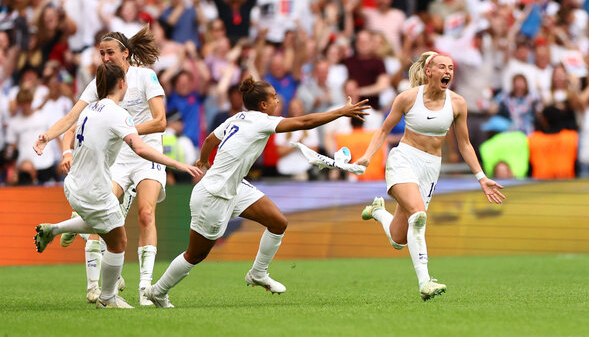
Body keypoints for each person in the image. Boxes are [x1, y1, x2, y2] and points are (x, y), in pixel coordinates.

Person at [143, 78, 370, 308]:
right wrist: (341, 112)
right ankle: (157, 292)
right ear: (263, 104)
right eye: (273, 97)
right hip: (214, 195)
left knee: (278, 222)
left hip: (234, 188)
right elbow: (306, 121)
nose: (277, 99)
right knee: (195, 255)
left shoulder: (237, 117)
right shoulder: (261, 121)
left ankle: (258, 273)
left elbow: (211, 139)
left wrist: (203, 160)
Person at [32, 62, 201, 308]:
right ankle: (108, 298)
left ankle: (56, 229)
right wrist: (178, 164)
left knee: (102, 224)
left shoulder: (90, 109)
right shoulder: (117, 114)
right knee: (118, 242)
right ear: (122, 84)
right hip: (95, 190)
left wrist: (54, 142)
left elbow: (70, 127)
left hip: (75, 186)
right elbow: (142, 148)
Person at [356, 52, 506, 301]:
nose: (448, 71)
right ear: (429, 71)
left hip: (430, 168)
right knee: (419, 215)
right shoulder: (407, 98)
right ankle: (425, 282)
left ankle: (378, 211)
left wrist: (481, 177)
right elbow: (383, 130)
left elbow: (465, 144)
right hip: (403, 159)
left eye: (451, 68)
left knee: (398, 239)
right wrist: (368, 156)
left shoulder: (457, 103)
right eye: (442, 67)